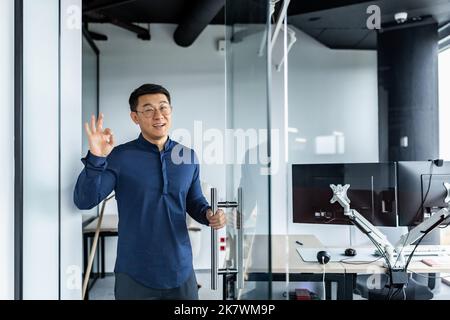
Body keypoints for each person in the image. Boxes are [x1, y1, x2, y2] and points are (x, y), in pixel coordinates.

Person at [74, 84, 226, 300]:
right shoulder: (119, 156)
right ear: (135, 117)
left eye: (163, 108)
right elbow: (84, 200)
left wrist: (208, 214)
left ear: (170, 111)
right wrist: (97, 157)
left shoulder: (188, 156)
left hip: (181, 271)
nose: (158, 115)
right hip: (134, 272)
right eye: (148, 109)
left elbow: (194, 201)